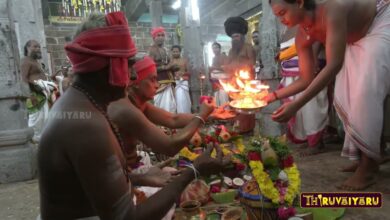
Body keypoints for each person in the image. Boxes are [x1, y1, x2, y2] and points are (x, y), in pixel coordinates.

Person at [38, 12, 228, 220]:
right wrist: (193, 170)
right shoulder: (85, 124)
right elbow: (127, 218)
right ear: (108, 65)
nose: (134, 75)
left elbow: (90, 183)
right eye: (128, 64)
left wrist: (136, 178)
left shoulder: (85, 105)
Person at [269, 0, 390, 190]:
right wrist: (273, 96)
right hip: (355, 38)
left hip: (380, 20)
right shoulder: (302, 35)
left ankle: (368, 167)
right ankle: (371, 154)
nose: (281, 19)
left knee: (364, 90)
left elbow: (334, 65)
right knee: (349, 92)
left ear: (299, 2)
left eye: (283, 12)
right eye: (278, 15)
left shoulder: (332, 9)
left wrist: (296, 104)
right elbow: (306, 78)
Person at [271, 31, 329, 157]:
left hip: (308, 71)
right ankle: (309, 140)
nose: (282, 17)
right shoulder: (288, 29)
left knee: (311, 107)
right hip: (291, 72)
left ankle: (316, 143)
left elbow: (316, 38)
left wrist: (313, 58)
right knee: (301, 110)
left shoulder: (307, 21)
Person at [223, 16, 256, 134]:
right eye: (232, 37)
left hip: (246, 84)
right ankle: (237, 129)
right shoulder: (231, 51)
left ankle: (247, 130)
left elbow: (252, 64)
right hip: (233, 84)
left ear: (242, 37)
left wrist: (237, 67)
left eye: (236, 36)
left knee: (246, 108)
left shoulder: (248, 47)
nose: (234, 39)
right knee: (235, 106)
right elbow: (227, 64)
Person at [21, 40, 57, 142]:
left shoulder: (36, 62)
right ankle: (33, 139)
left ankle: (40, 140)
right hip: (34, 95)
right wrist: (30, 95)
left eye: (39, 47)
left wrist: (49, 78)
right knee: (35, 119)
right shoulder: (25, 61)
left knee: (44, 118)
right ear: (27, 48)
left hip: (43, 93)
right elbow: (23, 79)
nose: (38, 49)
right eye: (35, 47)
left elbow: (38, 76)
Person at [148, 26, 179, 113]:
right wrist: (166, 67)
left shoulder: (165, 50)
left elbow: (168, 64)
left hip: (169, 79)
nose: (161, 37)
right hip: (159, 81)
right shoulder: (152, 50)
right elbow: (150, 67)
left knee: (171, 104)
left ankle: (170, 123)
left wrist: (174, 68)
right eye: (158, 35)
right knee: (161, 105)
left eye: (162, 35)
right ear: (154, 37)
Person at [170, 45, 192, 113]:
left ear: (180, 52)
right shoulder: (170, 61)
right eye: (174, 52)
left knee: (183, 100)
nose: (175, 53)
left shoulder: (184, 60)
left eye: (177, 51)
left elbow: (189, 72)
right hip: (174, 83)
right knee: (175, 101)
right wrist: (174, 76)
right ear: (171, 52)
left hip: (183, 82)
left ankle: (185, 115)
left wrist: (182, 74)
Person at [209, 42, 229, 106]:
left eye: (216, 48)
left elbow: (225, 68)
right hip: (215, 81)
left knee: (223, 96)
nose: (214, 50)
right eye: (213, 48)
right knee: (216, 97)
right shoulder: (213, 58)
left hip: (223, 80)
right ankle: (218, 112)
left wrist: (214, 68)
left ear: (220, 49)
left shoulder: (224, 57)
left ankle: (225, 111)